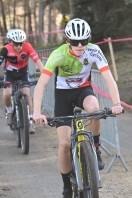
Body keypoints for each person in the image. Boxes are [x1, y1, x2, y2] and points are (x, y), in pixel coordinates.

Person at [32, 18, 123, 197]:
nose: (80, 45)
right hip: (63, 95)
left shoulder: (94, 51)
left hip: (83, 91)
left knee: (95, 109)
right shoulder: (58, 54)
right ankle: (66, 185)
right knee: (65, 144)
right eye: (75, 42)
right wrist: (36, 112)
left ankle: (95, 148)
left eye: (84, 41)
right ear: (68, 41)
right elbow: (41, 84)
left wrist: (117, 104)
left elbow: (109, 79)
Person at [0, 29, 44, 134]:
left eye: (21, 43)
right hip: (10, 74)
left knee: (27, 95)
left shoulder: (28, 47)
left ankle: (29, 122)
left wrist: (43, 75)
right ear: (11, 42)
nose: (19, 46)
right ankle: (9, 111)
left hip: (22, 73)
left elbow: (37, 61)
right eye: (16, 44)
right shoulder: (6, 49)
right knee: (7, 94)